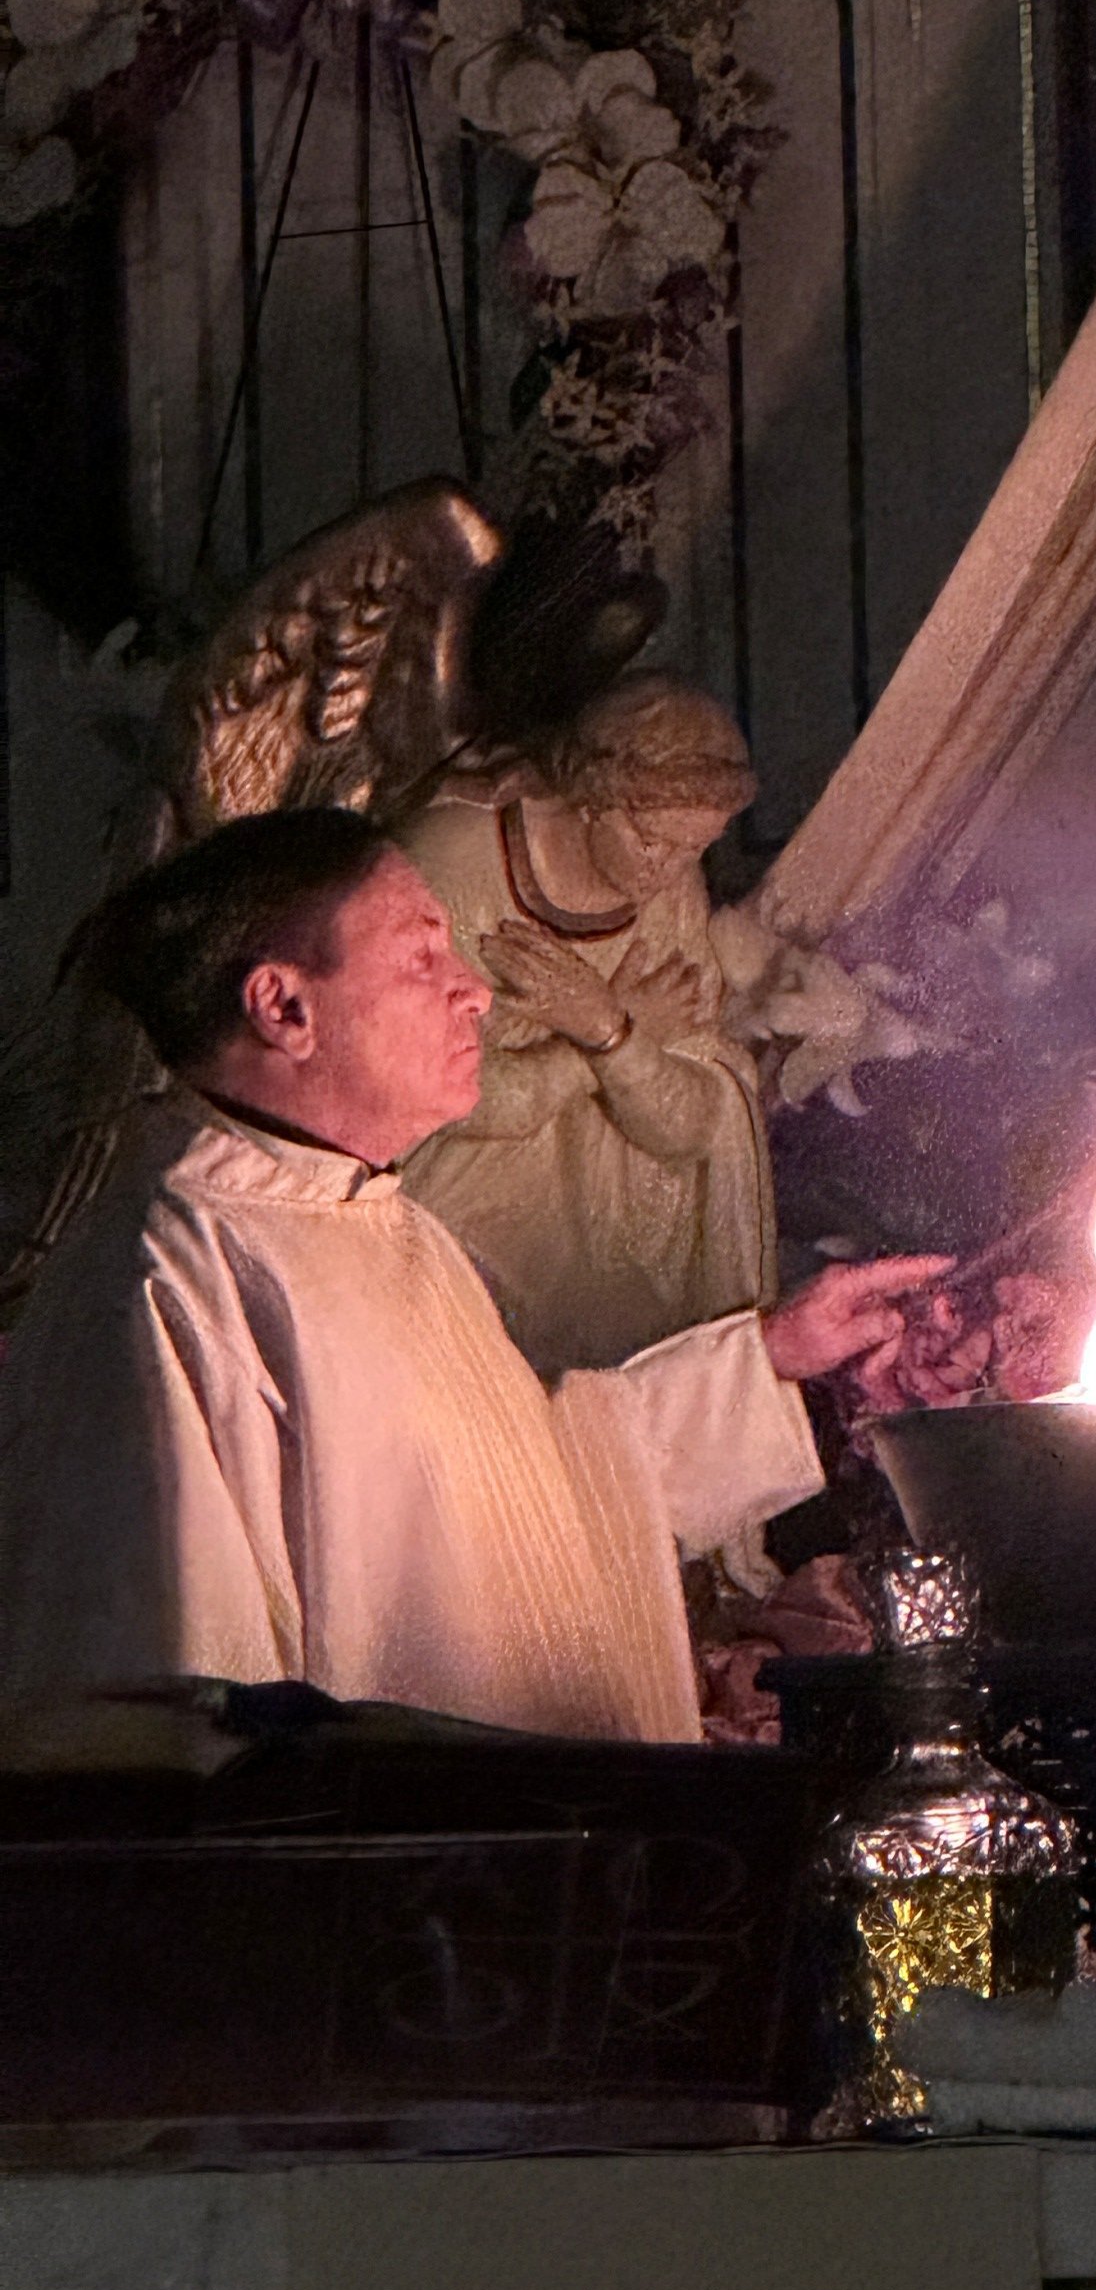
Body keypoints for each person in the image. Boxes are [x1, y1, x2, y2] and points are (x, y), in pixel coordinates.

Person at [0, 810, 943, 1743]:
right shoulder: (171, 1271)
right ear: (285, 1008)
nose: (476, 992)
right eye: (422, 957)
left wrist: (772, 1356)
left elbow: (537, 1506)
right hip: (390, 1842)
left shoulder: (389, 1227)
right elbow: (159, 1722)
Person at [396, 675, 773, 1376]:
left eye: (696, 849)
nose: (670, 872)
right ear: (595, 801)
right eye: (653, 842)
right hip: (451, 1195)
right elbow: (428, 1088)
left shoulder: (670, 890)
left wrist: (604, 1028)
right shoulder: (449, 865)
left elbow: (693, 1124)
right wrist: (601, 1037)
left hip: (598, 1219)